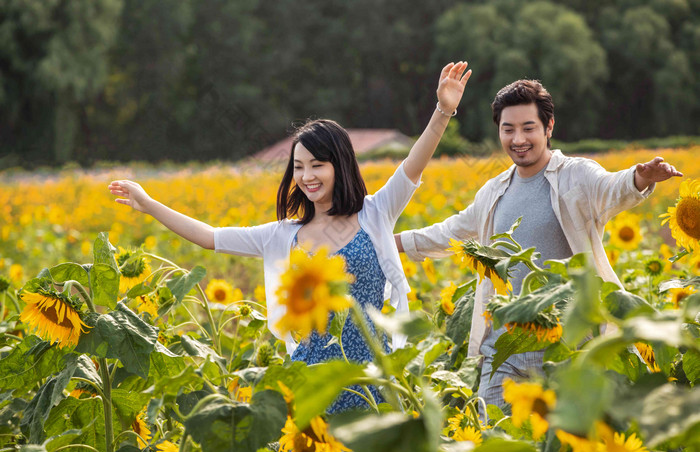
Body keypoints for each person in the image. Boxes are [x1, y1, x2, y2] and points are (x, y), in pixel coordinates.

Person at [108, 61, 473, 412]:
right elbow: (210, 237)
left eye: (317, 165)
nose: (307, 176)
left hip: (371, 385)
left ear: (340, 165)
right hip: (309, 385)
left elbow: (414, 165)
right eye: (298, 167)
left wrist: (442, 111)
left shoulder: (375, 213)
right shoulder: (282, 236)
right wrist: (150, 204)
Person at [395, 79, 682, 411]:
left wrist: (641, 177)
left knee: (563, 450)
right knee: (494, 443)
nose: (518, 140)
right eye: (508, 129)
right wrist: (388, 242)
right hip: (503, 349)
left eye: (528, 128)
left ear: (549, 127)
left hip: (567, 346)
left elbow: (612, 187)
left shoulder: (575, 175)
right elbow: (449, 232)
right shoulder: (493, 191)